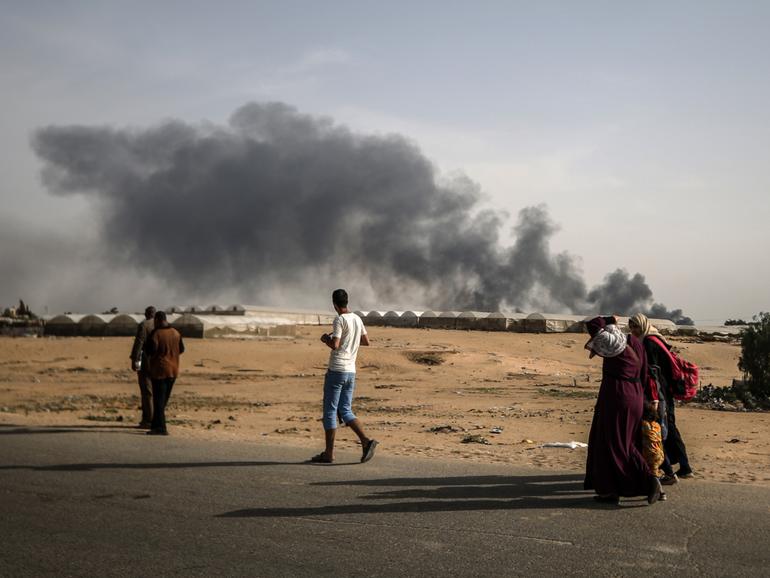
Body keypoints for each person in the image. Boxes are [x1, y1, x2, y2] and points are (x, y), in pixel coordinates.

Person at [584, 315, 662, 505]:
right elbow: (644, 375)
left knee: (615, 444)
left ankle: (650, 482)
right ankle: (610, 491)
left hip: (617, 397)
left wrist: (608, 318)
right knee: (617, 443)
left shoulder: (614, 346)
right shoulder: (635, 341)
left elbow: (593, 323)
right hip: (634, 396)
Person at [311, 289, 377, 464]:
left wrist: (326, 339)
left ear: (334, 305)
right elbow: (366, 341)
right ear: (347, 302)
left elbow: (335, 344)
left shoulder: (339, 319)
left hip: (337, 369)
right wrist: (351, 339)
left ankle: (329, 453)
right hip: (351, 371)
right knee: (346, 410)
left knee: (331, 411)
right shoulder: (357, 318)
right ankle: (366, 441)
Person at [629, 313, 693, 481]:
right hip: (663, 390)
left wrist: (654, 397)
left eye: (635, 326)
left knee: (662, 428)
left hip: (660, 392)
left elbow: (653, 372)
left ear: (642, 325)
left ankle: (675, 468)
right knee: (667, 428)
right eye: (631, 327)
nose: (633, 330)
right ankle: (680, 466)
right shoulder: (655, 338)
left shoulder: (649, 343)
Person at [143, 310, 184, 436]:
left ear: (157, 320)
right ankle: (156, 425)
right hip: (174, 369)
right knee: (163, 399)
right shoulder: (176, 333)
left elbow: (150, 350)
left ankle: (161, 428)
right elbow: (182, 349)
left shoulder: (156, 333)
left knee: (158, 400)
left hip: (160, 370)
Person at [129, 306, 156, 428]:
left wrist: (135, 360)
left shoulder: (144, 325)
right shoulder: (161, 325)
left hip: (146, 361)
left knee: (146, 391)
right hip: (160, 362)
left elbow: (139, 342)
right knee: (156, 392)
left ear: (146, 314)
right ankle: (156, 418)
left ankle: (148, 419)